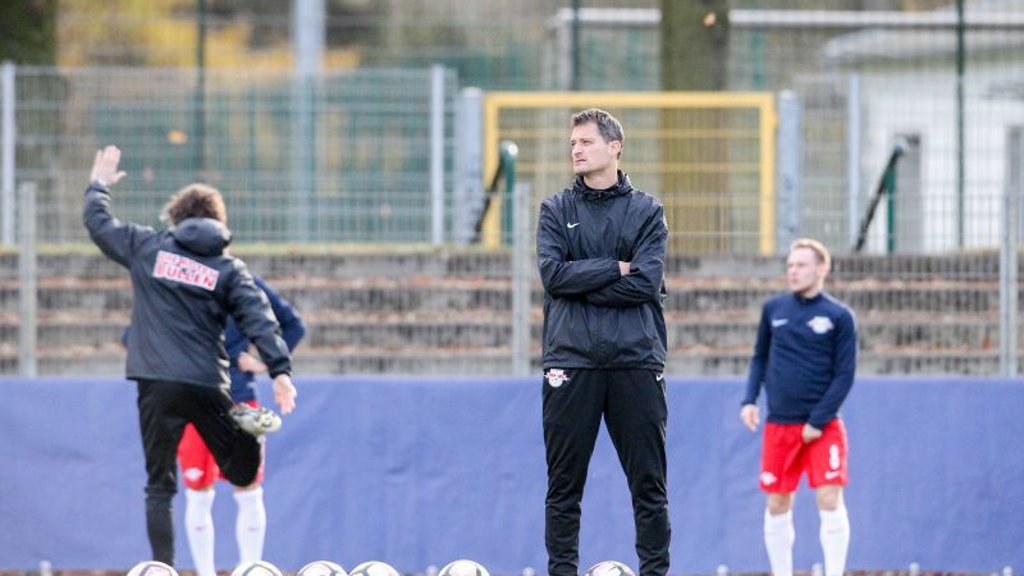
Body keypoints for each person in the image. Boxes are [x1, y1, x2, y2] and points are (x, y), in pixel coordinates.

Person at [83, 145, 297, 567]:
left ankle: (162, 567)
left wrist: (99, 186)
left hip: (155, 381)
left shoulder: (147, 247)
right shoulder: (229, 269)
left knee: (160, 487)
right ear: (220, 224)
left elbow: (98, 223)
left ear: (177, 220)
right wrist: (280, 370)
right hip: (206, 382)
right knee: (238, 474)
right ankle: (250, 434)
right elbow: (260, 319)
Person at [536, 108, 671, 576]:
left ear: (614, 147)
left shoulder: (648, 211)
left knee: (649, 484)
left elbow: (646, 284)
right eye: (572, 142)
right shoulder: (555, 210)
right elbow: (553, 277)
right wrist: (616, 266)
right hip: (571, 361)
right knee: (564, 485)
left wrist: (584, 278)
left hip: (635, 359)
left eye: (586, 142)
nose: (576, 149)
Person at [740, 238, 857, 576]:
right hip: (780, 426)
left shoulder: (839, 316)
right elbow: (759, 357)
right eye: (790, 265)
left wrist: (818, 421)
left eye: (801, 265)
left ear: (822, 269)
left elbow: (844, 375)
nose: (793, 271)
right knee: (777, 503)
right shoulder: (774, 309)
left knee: (829, 499)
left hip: (823, 427)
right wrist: (749, 399)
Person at [178, 276, 305, 576]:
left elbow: (294, 325)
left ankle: (250, 569)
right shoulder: (179, 281)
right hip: (195, 398)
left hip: (237, 398)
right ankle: (206, 572)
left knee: (247, 489)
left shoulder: (243, 283)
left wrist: (265, 365)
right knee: (198, 490)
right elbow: (136, 333)